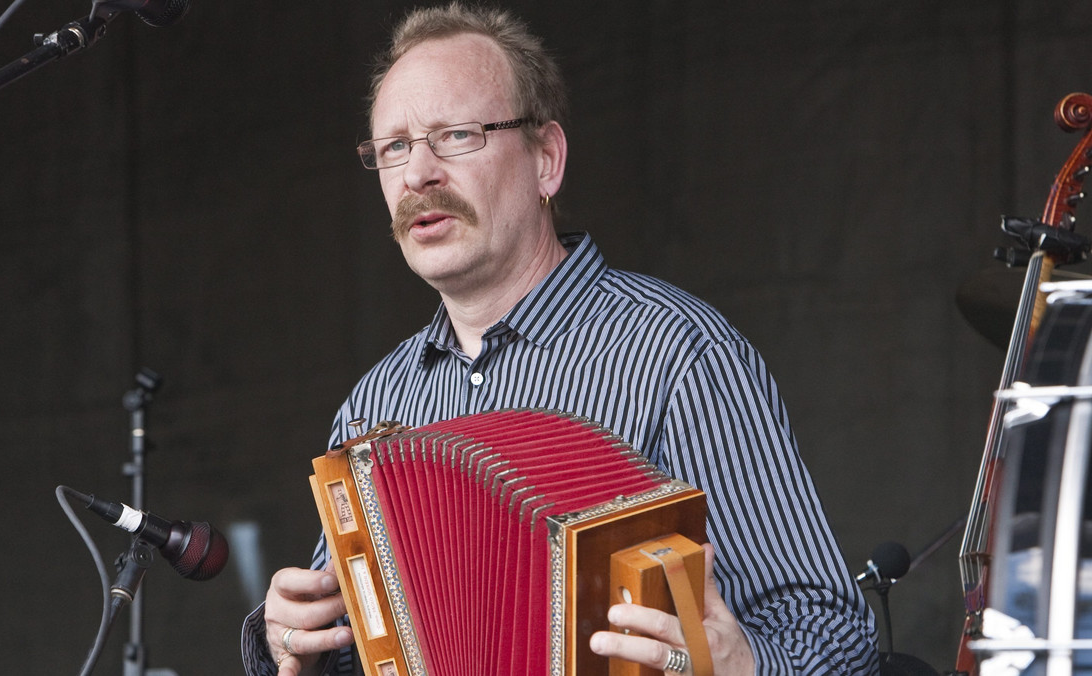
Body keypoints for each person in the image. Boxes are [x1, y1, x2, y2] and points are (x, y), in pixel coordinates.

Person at [242, 3, 879, 674]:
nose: (417, 173)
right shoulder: (374, 404)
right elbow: (358, 647)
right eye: (394, 147)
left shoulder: (678, 356)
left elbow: (835, 636)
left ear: (546, 159)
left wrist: (746, 665)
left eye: (455, 135)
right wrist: (291, 640)